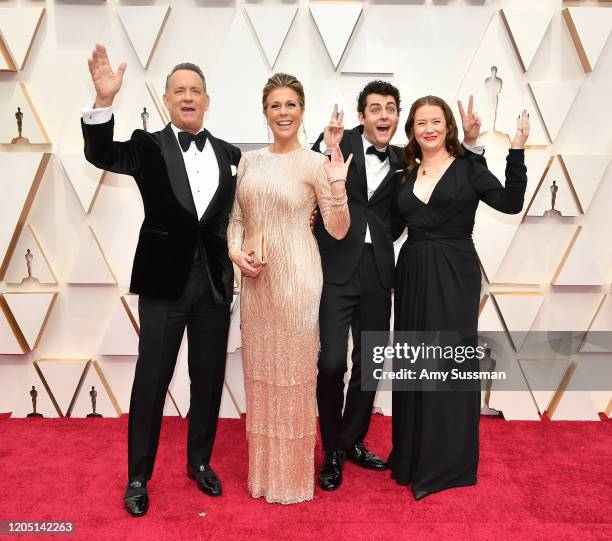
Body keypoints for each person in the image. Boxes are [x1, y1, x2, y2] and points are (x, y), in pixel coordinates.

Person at [81, 44, 241, 516]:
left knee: (208, 378)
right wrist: (103, 100)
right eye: (179, 91)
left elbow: (228, 218)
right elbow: (101, 153)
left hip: (213, 282)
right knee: (151, 381)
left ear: (207, 100)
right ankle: (137, 475)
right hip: (162, 283)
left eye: (195, 90)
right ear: (167, 100)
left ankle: (199, 463)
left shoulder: (231, 154)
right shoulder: (147, 146)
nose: (187, 97)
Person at [312, 82, 484, 491]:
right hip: (337, 270)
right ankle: (331, 450)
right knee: (333, 362)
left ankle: (352, 442)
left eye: (390, 109)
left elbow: (411, 211)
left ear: (397, 116)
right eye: (375, 109)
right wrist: (323, 149)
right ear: (362, 116)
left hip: (380, 273)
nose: (384, 116)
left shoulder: (405, 161)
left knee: (369, 367)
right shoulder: (336, 144)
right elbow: (313, 184)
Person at [387, 95, 529, 499]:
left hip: (454, 271)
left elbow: (510, 202)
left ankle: (445, 462)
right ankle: (413, 456)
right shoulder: (404, 173)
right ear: (412, 131)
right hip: (413, 270)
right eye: (420, 123)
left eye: (436, 121)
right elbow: (391, 227)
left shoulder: (469, 167)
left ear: (448, 126)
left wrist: (516, 150)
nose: (429, 128)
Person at [228, 73, 351, 504]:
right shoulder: (250, 162)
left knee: (296, 374)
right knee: (261, 376)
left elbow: (337, 229)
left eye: (291, 105)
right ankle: (264, 474)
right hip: (257, 281)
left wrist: (337, 184)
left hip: (298, 278)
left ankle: (292, 478)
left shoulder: (316, 163)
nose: (284, 112)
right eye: (276, 105)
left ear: (303, 111)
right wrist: (234, 252)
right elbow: (238, 220)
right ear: (265, 112)